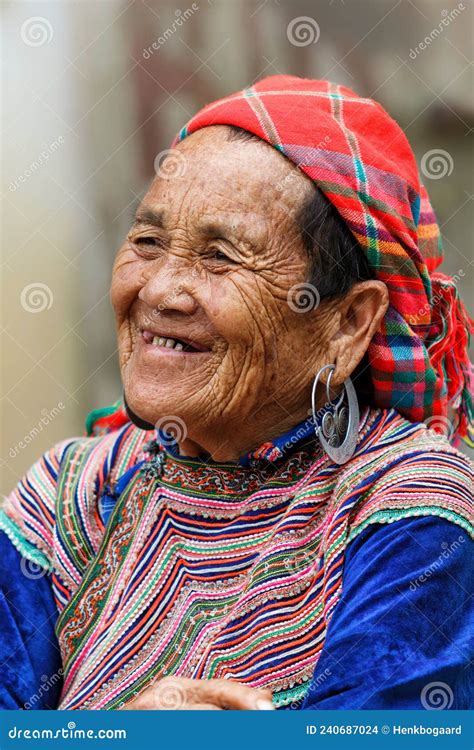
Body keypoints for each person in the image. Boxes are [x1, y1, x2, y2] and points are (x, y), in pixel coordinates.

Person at [1, 75, 472, 711]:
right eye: (147, 241)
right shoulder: (71, 492)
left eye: (221, 257)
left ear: (347, 322)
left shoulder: (411, 504)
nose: (161, 291)